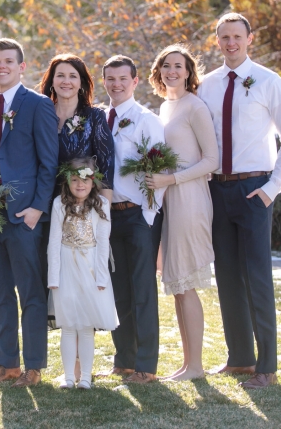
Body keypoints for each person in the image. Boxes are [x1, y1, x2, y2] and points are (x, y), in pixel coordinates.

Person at [199, 13, 281, 389]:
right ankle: (240, 358)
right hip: (217, 189)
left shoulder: (269, 82)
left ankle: (266, 368)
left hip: (255, 188)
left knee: (257, 277)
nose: (230, 43)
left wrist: (273, 188)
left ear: (249, 38)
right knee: (226, 275)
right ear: (217, 41)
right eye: (224, 37)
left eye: (236, 36)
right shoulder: (207, 86)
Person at [0, 38, 59, 388]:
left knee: (31, 292)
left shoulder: (38, 105)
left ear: (21, 66)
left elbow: (49, 162)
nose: (1, 66)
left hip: (24, 217)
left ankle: (34, 364)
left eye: (7, 61)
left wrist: (37, 208)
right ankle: (6, 363)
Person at [37, 53, 115, 382]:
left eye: (73, 75)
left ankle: (83, 371)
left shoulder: (94, 117)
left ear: (82, 82)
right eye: (60, 75)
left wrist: (101, 215)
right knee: (55, 285)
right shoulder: (39, 113)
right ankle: (56, 367)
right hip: (44, 208)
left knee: (85, 285)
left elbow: (107, 166)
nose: (66, 81)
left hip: (83, 211)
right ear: (51, 80)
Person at [143, 45, 219, 381]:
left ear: (189, 72)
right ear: (158, 72)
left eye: (179, 66)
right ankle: (188, 364)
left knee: (186, 282)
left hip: (189, 197)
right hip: (168, 199)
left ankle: (198, 366)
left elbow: (211, 161)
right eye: (166, 66)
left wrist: (171, 178)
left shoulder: (195, 107)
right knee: (175, 282)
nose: (172, 71)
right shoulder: (166, 107)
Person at [100, 55, 165, 384]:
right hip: (108, 217)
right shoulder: (100, 119)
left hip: (138, 215)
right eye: (110, 79)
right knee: (118, 290)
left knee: (142, 290)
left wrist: (149, 215)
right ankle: (123, 359)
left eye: (123, 78)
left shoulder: (146, 120)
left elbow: (159, 170)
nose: (116, 84)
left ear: (135, 81)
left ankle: (146, 365)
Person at [47, 157, 117, 390]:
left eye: (85, 180)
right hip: (66, 266)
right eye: (74, 180)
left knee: (86, 325)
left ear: (93, 182)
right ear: (67, 181)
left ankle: (85, 377)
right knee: (68, 325)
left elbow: (103, 243)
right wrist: (53, 277)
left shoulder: (101, 205)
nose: (80, 185)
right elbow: (54, 241)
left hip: (90, 267)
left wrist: (101, 277)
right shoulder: (59, 204)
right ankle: (68, 377)